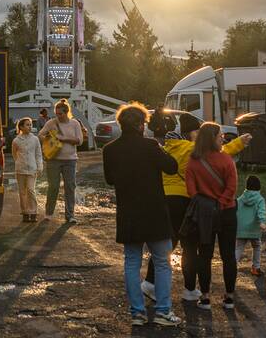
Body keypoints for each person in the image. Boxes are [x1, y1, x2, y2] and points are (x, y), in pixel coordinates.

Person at [144, 112, 252, 302]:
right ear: (191, 133)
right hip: (186, 202)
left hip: (165, 199)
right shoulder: (191, 150)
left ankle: (150, 283)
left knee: (166, 244)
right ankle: (190, 289)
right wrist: (240, 142)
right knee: (190, 248)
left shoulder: (164, 149)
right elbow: (220, 155)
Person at [102, 102, 182, 327]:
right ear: (140, 125)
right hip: (154, 211)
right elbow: (172, 167)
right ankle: (163, 311)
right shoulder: (150, 146)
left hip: (128, 212)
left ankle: (137, 312)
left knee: (131, 262)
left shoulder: (110, 149)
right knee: (162, 262)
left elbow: (110, 179)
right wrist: (163, 147)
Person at [182, 122, 239, 311]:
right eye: (220, 135)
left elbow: (191, 190)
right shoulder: (226, 160)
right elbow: (232, 187)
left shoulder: (193, 160)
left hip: (204, 213)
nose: (222, 137)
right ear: (212, 138)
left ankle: (205, 298)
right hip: (227, 211)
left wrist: (206, 203)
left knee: (204, 255)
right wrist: (221, 203)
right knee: (228, 255)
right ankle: (229, 298)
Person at [41, 98, 83, 223]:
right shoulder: (51, 123)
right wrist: (49, 138)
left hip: (70, 160)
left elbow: (79, 141)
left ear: (66, 112)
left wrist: (63, 139)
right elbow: (40, 135)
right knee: (53, 187)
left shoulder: (75, 123)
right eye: (57, 113)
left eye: (61, 113)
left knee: (70, 187)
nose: (58, 116)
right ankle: (48, 213)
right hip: (53, 159)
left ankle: (70, 215)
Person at [11, 117, 44, 222]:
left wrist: (39, 167)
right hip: (20, 169)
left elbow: (38, 154)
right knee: (22, 192)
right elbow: (14, 154)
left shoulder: (35, 139)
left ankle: (33, 212)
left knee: (30, 190)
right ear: (21, 127)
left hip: (32, 169)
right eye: (27, 125)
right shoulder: (16, 140)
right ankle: (25, 213)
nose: (30, 126)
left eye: (30, 125)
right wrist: (18, 162)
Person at [235, 175, 266, 276]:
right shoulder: (260, 199)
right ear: (259, 187)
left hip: (241, 229)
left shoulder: (240, 199)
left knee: (239, 248)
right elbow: (261, 211)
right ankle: (256, 268)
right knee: (257, 246)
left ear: (247, 186)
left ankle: (232, 266)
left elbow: (235, 212)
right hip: (254, 229)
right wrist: (262, 222)